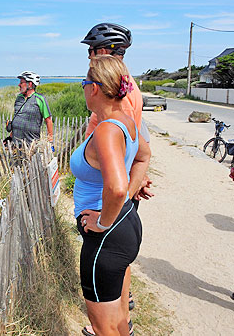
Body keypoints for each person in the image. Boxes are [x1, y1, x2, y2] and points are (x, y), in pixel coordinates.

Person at [81, 23, 154, 336]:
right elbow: (140, 154)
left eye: (90, 54)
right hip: (123, 220)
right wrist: (129, 192)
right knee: (116, 319)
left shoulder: (110, 122)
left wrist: (103, 222)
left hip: (108, 227)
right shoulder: (127, 107)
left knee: (104, 326)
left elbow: (116, 185)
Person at [8, 71, 53, 147]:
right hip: (15, 144)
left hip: (31, 145)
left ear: (30, 84)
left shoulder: (40, 99)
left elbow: (48, 120)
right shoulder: (19, 98)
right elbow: (17, 117)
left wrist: (50, 141)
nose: (19, 85)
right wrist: (10, 136)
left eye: (21, 83)